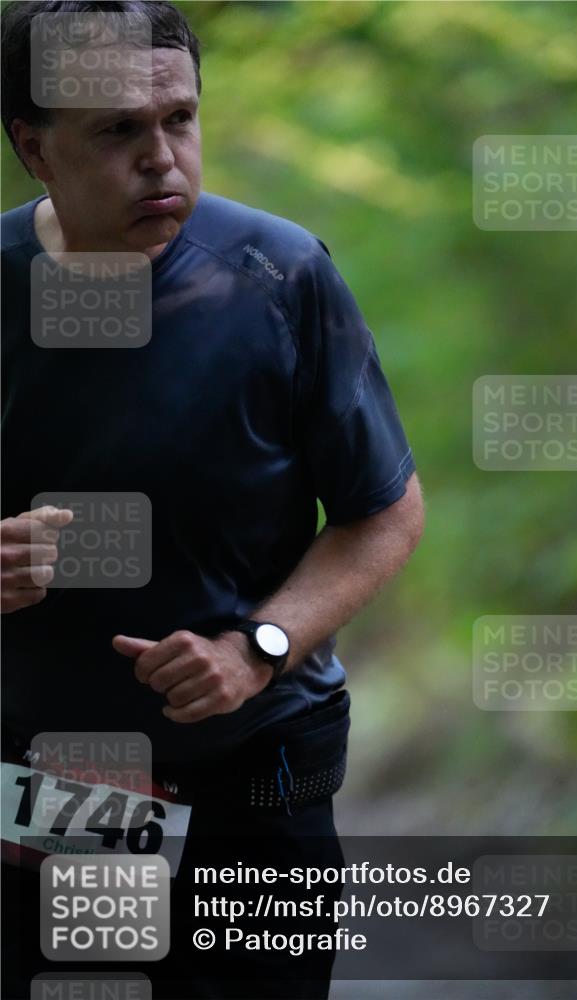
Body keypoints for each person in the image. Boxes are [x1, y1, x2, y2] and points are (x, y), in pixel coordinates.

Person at [0, 2, 424, 997]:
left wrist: (256, 647)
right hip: (60, 784)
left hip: (261, 765)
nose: (163, 159)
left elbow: (384, 510)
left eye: (179, 120)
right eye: (117, 130)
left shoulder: (279, 274)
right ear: (34, 149)